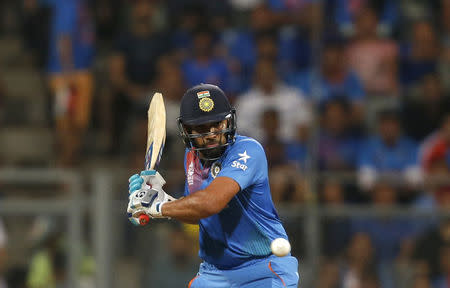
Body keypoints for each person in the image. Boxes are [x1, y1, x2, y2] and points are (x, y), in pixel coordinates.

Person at [127, 84, 299, 287]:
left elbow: (211, 203)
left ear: (229, 121)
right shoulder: (191, 157)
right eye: (200, 128)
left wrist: (157, 206)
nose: (210, 133)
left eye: (217, 124)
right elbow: (199, 214)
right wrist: (162, 200)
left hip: (263, 270)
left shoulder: (248, 151)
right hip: (214, 274)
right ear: (186, 130)